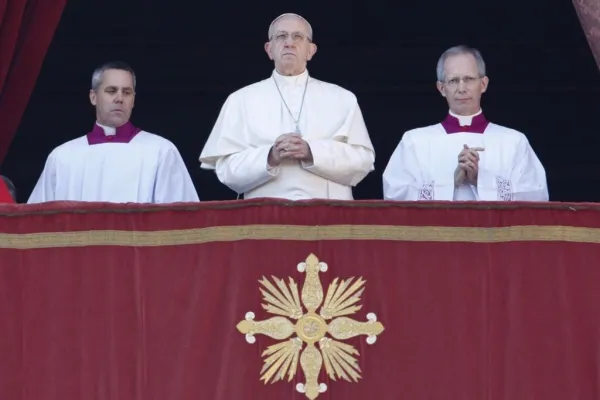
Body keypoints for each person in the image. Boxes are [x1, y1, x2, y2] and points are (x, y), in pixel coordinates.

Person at [199, 13, 375, 200]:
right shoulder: (240, 100)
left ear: (311, 50)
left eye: (298, 37)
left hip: (328, 216)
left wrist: (312, 151)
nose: (289, 43)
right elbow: (226, 170)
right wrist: (270, 156)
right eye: (281, 36)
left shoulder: (343, 98)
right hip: (265, 216)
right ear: (269, 49)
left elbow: (362, 162)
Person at [382, 45, 548, 201]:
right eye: (453, 80)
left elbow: (535, 195)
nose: (461, 88)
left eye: (468, 79)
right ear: (441, 88)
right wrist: (450, 182)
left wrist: (479, 180)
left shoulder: (514, 141)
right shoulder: (414, 142)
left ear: (483, 84)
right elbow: (395, 195)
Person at [28, 61, 199, 204]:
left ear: (133, 100)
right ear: (93, 97)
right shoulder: (62, 157)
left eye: (127, 92)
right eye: (111, 91)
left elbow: (182, 219)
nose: (119, 98)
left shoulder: (161, 151)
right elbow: (38, 221)